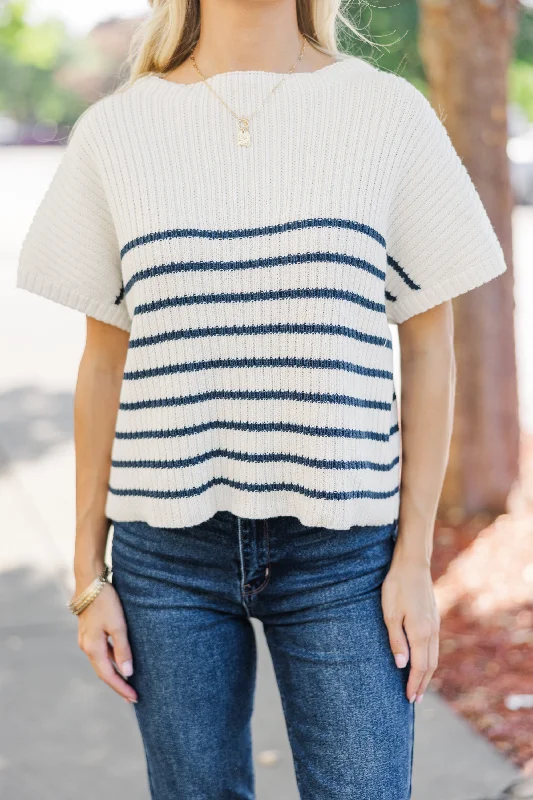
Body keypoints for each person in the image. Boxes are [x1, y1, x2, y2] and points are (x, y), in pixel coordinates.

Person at [16, 0, 508, 797]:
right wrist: (87, 573)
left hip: (346, 554)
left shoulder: (385, 114)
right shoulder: (119, 131)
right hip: (164, 555)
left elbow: (427, 343)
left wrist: (414, 558)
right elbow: (103, 362)